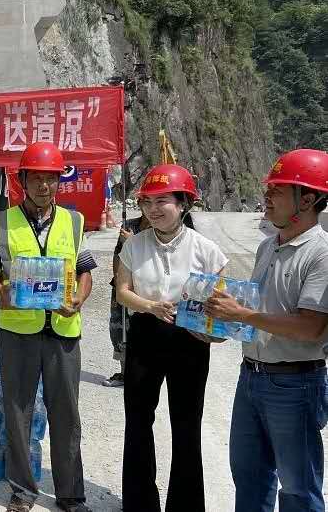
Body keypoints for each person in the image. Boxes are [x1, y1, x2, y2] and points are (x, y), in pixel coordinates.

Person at [206, 149, 328, 512]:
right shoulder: (267, 247)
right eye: (269, 188)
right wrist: (216, 321)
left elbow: (311, 327)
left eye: (278, 190)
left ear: (307, 200)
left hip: (295, 384)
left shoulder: (321, 254)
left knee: (298, 488)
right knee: (250, 477)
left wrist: (243, 314)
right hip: (251, 378)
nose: (267, 196)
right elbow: (257, 312)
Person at [0, 142, 96, 512]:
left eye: (51, 179)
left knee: (66, 413)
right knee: (18, 412)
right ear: (23, 181)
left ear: (59, 182)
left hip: (62, 330)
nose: (44, 186)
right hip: (17, 331)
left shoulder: (74, 222)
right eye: (36, 179)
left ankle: (70, 494)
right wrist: (3, 292)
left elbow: (85, 272)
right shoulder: (2, 222)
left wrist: (78, 299)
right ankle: (22, 491)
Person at [114, 165, 228, 512]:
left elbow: (221, 302)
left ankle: (186, 505)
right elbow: (122, 292)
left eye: (162, 201)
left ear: (184, 203)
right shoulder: (134, 245)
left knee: (186, 423)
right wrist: (150, 306)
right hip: (145, 335)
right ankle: (140, 504)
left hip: (189, 340)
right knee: (138, 420)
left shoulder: (207, 250)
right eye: (146, 202)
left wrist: (216, 330)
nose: (153, 209)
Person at [103, 214, 149, 387]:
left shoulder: (159, 228)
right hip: (122, 285)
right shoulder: (129, 224)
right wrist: (117, 280)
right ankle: (124, 373)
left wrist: (133, 241)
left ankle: (143, 374)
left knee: (142, 330)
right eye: (144, 202)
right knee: (118, 328)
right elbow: (118, 254)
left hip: (144, 288)